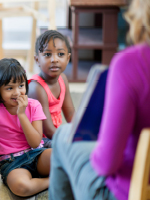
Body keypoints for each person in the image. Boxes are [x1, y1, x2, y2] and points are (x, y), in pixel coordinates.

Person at [49, 0, 150, 199]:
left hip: (128, 192)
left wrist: (101, 144)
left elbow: (106, 163)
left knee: (62, 136)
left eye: (61, 54)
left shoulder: (131, 64)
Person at [0, 58, 51, 197]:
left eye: (21, 85)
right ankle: (52, 181)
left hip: (36, 153)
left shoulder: (34, 105)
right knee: (21, 187)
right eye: (9, 88)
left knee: (63, 157)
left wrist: (22, 115)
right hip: (11, 162)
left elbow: (35, 143)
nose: (17, 92)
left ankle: (44, 178)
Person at [27, 30, 75, 147]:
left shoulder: (62, 79)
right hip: (39, 140)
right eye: (48, 55)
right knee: (69, 149)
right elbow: (47, 130)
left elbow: (70, 113)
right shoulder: (36, 88)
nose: (54, 59)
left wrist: (81, 132)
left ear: (68, 58)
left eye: (60, 54)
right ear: (37, 60)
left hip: (53, 135)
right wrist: (71, 140)